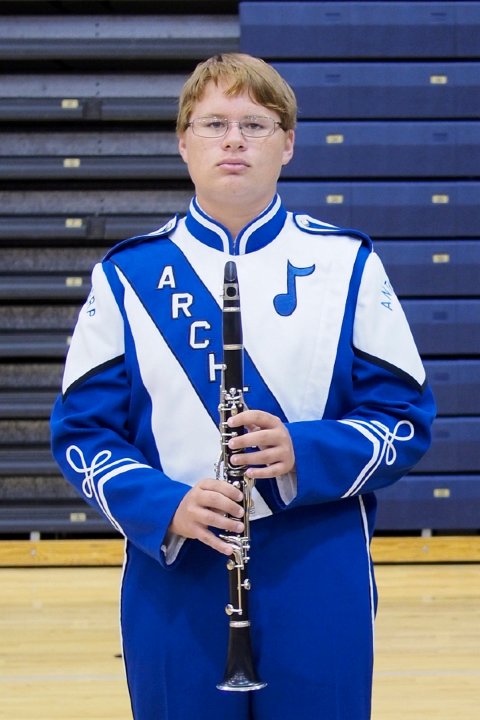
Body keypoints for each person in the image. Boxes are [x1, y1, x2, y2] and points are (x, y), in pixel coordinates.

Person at [50, 53, 436, 720]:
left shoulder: (346, 263)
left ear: (287, 144)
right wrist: (165, 504)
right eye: (214, 124)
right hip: (178, 564)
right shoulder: (127, 275)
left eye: (255, 125)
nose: (233, 140)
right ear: (184, 142)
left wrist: (302, 452)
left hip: (317, 562)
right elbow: (83, 435)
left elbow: (404, 419)